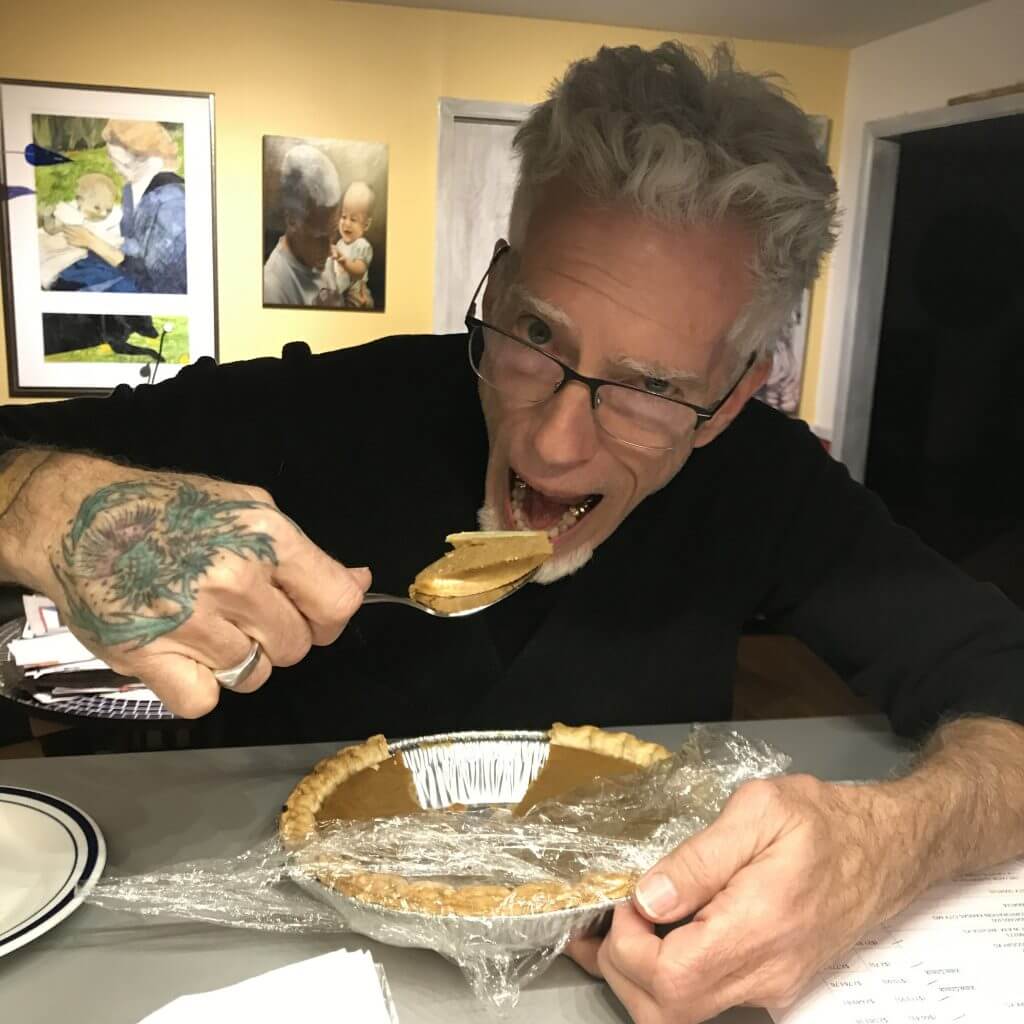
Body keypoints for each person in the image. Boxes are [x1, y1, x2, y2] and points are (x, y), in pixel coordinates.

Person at [0, 41, 1022, 1024]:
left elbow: (1003, 675)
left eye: (651, 387)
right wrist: (46, 505)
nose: (553, 444)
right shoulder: (331, 411)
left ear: (731, 397)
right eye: (535, 333)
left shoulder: (766, 479)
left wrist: (888, 846)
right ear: (497, 276)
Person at [55, 119, 187, 294]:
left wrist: (93, 242)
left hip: (146, 288)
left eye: (116, 161)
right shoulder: (132, 189)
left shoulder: (172, 202)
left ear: (141, 157)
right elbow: (129, 243)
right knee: (67, 277)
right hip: (126, 272)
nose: (115, 169)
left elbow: (159, 281)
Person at [263, 143, 342, 307]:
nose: (330, 251)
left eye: (333, 233)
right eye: (319, 237)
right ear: (292, 220)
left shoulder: (324, 257)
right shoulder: (272, 287)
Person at [38, 172, 123, 289]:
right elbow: (51, 228)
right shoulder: (70, 213)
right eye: (97, 207)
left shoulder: (107, 223)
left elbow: (113, 242)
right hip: (57, 252)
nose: (103, 213)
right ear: (79, 201)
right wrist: (49, 217)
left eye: (108, 210)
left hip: (74, 260)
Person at [328, 180, 375, 308]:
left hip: (357, 296)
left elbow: (359, 270)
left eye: (353, 219)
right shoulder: (340, 243)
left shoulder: (362, 245)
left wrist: (344, 261)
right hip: (340, 292)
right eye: (343, 216)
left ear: (366, 225)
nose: (347, 223)